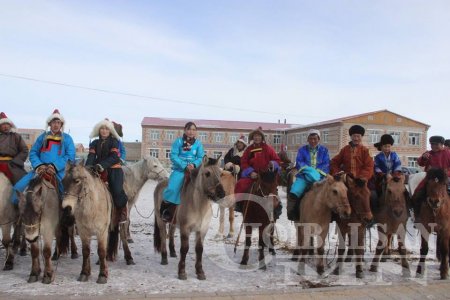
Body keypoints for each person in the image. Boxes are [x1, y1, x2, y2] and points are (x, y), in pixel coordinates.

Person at [12, 109, 75, 204]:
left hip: (59, 171)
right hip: (40, 170)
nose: (56, 125)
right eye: (54, 122)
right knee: (18, 187)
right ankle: (17, 213)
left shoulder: (67, 138)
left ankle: (65, 216)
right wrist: (39, 166)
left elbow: (70, 156)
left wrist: (54, 166)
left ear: (61, 125)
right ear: (50, 124)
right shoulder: (42, 137)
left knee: (66, 194)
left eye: (58, 122)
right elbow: (33, 153)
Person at [160, 122, 204, 222]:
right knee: (172, 188)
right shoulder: (178, 142)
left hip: (194, 171)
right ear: (185, 130)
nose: (191, 132)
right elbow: (173, 156)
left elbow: (201, 157)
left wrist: (194, 165)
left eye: (193, 130)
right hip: (179, 170)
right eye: (189, 129)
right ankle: (166, 210)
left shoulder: (198, 144)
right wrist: (184, 166)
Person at [86, 118, 128, 223]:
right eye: (102, 128)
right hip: (97, 170)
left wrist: (102, 165)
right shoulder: (94, 143)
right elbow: (91, 156)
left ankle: (122, 212)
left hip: (114, 170)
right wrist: (88, 167)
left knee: (117, 191)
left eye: (107, 129)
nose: (104, 131)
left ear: (110, 131)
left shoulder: (114, 142)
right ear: (98, 130)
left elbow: (115, 157)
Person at [234, 127, 281, 217]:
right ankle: (239, 205)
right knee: (240, 184)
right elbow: (244, 162)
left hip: (266, 176)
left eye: (259, 136)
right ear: (252, 137)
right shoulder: (248, 149)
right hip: (252, 175)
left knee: (273, 192)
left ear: (262, 137)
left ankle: (276, 210)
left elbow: (277, 160)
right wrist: (250, 172)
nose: (257, 138)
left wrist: (273, 163)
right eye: (255, 136)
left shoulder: (268, 148)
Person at [287, 129, 330, 221]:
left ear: (319, 139)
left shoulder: (324, 150)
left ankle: (332, 215)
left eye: (315, 138)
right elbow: (299, 162)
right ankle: (292, 212)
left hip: (320, 177)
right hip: (304, 176)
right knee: (294, 191)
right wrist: (310, 172)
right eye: (311, 139)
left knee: (331, 193)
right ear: (307, 139)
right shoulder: (302, 150)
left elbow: (326, 164)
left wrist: (316, 174)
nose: (313, 141)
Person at [412, 135, 450, 220]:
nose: (434, 146)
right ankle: (417, 217)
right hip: (430, 180)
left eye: (436, 144)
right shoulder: (428, 153)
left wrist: (446, 173)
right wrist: (423, 158)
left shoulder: (448, 153)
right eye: (432, 144)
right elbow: (420, 163)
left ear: (442, 144)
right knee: (417, 194)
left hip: (444, 179)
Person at [0, 112, 29, 185]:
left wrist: (14, 162)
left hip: (12, 164)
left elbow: (24, 150)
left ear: (10, 125)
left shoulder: (16, 136)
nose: (5, 126)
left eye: (7, 124)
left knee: (23, 182)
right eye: (3, 124)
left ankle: (18, 196)